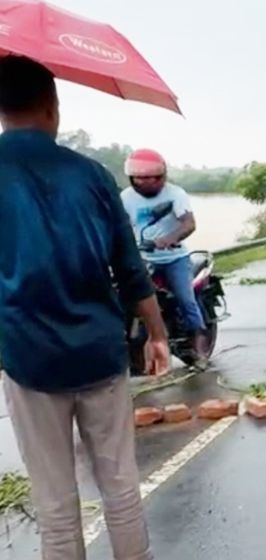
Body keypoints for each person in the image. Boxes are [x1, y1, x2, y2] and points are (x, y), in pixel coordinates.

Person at [0, 55, 168, 560]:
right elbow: (129, 266)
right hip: (99, 352)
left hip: (28, 357)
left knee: (54, 503)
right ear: (53, 107)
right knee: (120, 488)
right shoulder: (92, 175)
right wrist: (157, 333)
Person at [121, 149, 209, 368]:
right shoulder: (125, 198)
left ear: (164, 176)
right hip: (143, 258)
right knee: (126, 296)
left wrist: (170, 238)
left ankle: (199, 348)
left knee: (185, 299)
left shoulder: (175, 194)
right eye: (142, 178)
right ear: (132, 178)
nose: (149, 182)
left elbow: (189, 223)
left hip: (174, 258)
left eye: (155, 178)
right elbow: (119, 226)